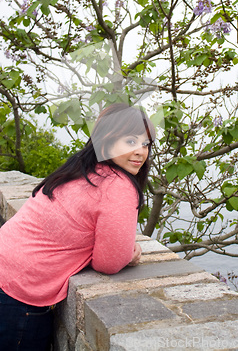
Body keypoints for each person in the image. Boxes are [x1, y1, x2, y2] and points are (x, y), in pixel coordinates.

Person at [0, 103, 155, 351]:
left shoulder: (82, 169)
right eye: (130, 141)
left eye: (145, 143)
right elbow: (109, 262)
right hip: (18, 297)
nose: (140, 152)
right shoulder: (118, 186)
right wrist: (130, 254)